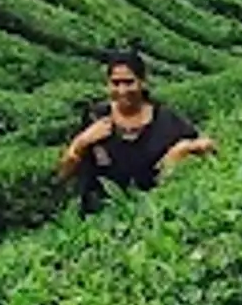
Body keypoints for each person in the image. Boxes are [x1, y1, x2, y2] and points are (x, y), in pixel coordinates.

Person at [57, 48, 214, 214]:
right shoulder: (95, 117)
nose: (122, 90)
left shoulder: (165, 120)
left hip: (151, 213)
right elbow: (63, 174)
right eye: (115, 83)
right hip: (100, 218)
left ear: (142, 81)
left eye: (129, 82)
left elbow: (208, 145)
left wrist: (184, 149)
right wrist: (82, 142)